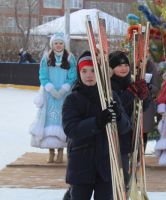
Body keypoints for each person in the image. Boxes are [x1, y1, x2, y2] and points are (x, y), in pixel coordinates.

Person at [62, 51, 131, 200]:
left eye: (93, 70)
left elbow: (125, 128)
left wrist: (118, 116)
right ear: (79, 73)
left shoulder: (110, 96)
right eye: (84, 71)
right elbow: (71, 130)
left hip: (106, 166)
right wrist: (97, 122)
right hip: (81, 164)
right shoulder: (72, 99)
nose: (89, 75)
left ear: (100, 73)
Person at [29, 32, 77, 163]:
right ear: (52, 44)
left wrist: (64, 88)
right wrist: (50, 88)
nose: (58, 45)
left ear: (64, 44)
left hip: (64, 94)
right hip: (49, 95)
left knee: (62, 120)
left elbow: (73, 75)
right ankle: (51, 152)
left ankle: (61, 151)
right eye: (56, 43)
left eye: (61, 43)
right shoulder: (46, 58)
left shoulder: (70, 58)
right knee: (49, 120)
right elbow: (42, 75)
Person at [108, 50, 150, 189]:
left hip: (128, 134)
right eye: (119, 65)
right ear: (112, 68)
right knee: (112, 175)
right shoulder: (108, 84)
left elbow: (142, 108)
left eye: (126, 64)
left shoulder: (132, 82)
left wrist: (145, 95)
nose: (123, 68)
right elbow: (116, 104)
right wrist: (130, 93)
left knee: (125, 175)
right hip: (112, 134)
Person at [143, 59, 160, 151]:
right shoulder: (129, 64)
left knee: (143, 131)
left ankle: (140, 157)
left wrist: (148, 85)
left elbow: (156, 89)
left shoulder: (151, 67)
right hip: (132, 103)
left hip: (146, 105)